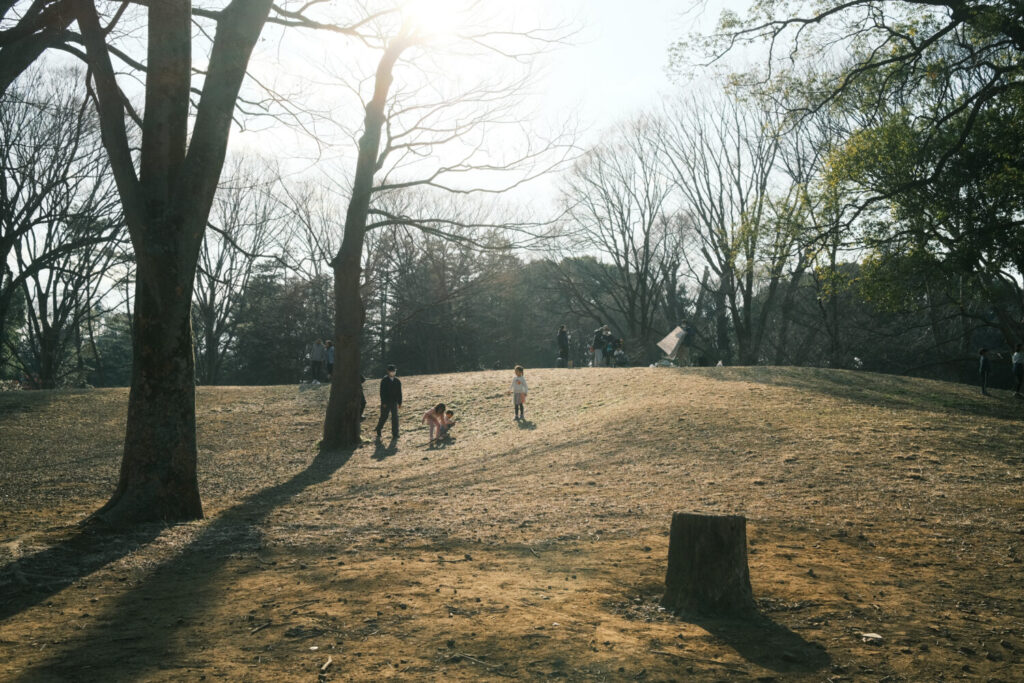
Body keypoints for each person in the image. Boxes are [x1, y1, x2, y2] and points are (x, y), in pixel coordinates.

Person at [375, 364, 402, 439]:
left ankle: (395, 434)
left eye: (394, 371)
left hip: (394, 402)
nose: (393, 372)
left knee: (395, 418)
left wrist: (400, 402)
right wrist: (383, 402)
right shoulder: (384, 380)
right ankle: (379, 428)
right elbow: (382, 393)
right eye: (391, 371)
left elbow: (399, 392)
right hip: (386, 402)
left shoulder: (397, 380)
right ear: (388, 371)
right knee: (384, 417)